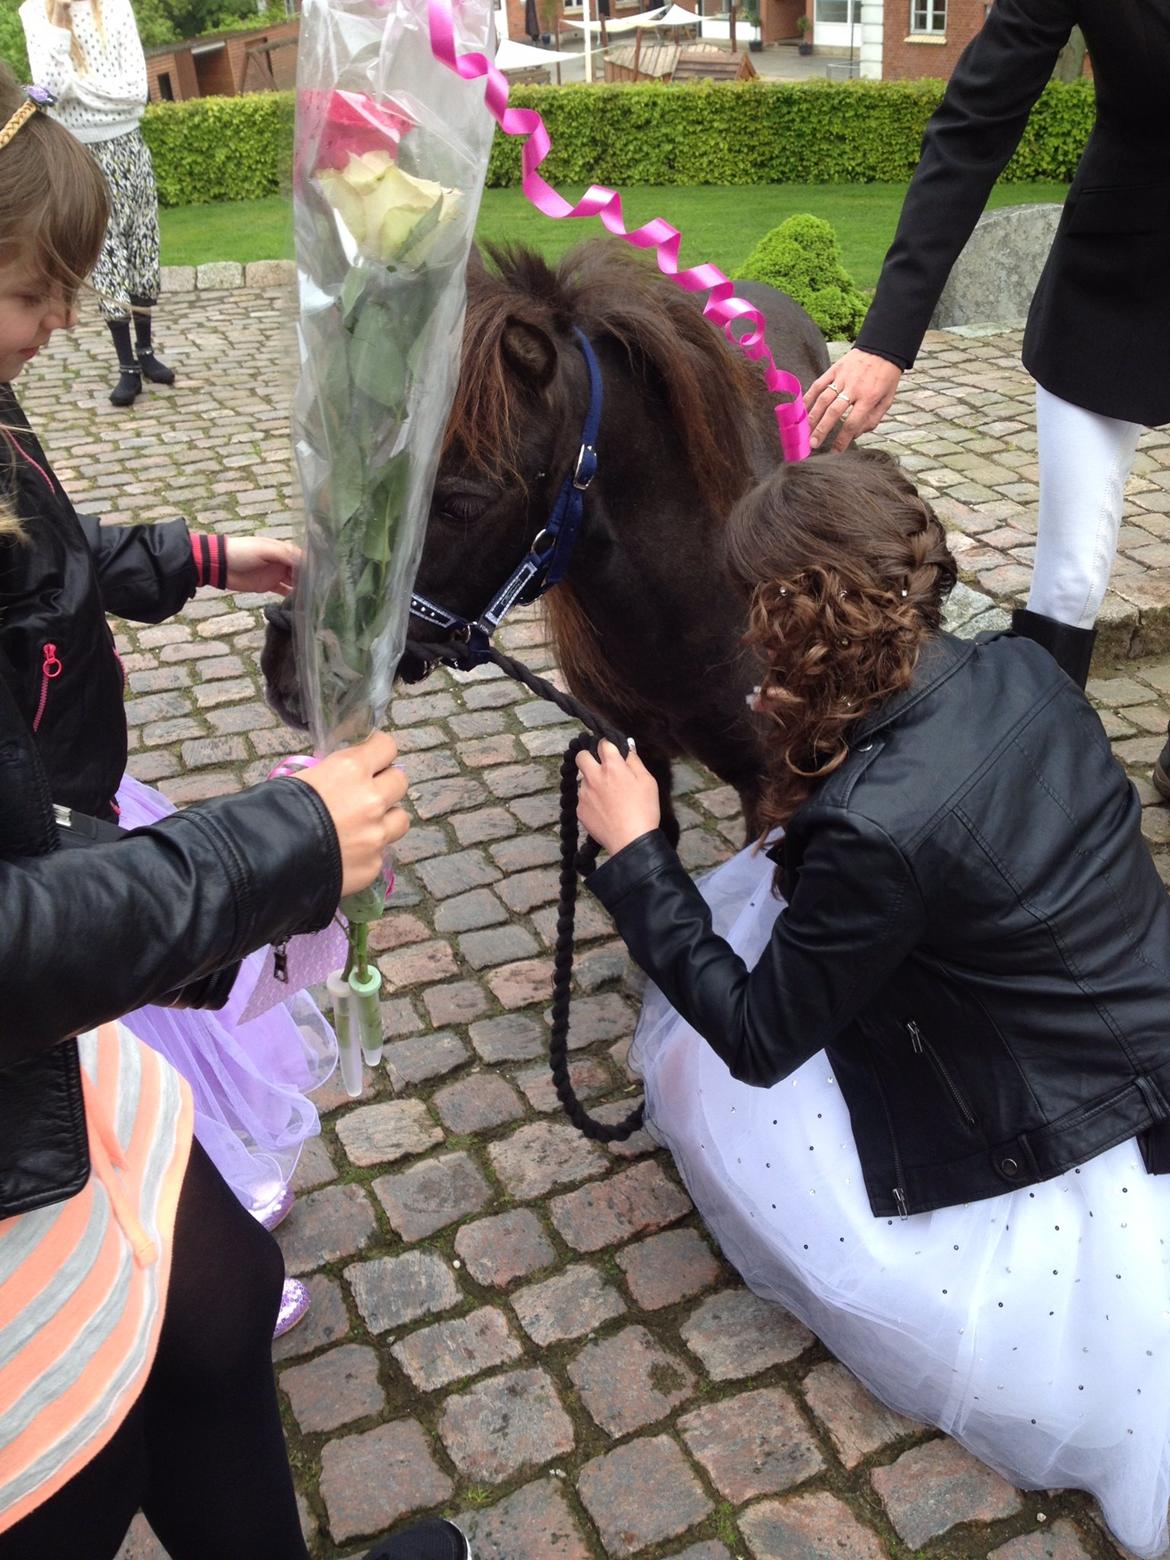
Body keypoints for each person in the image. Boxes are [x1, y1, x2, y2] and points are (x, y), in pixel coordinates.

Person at [0, 77, 470, 1560]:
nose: (61, 323)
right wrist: (290, 850)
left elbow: (50, 563)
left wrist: (199, 556)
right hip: (33, 1004)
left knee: (210, 1302)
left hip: (66, 905)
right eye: (26, 289)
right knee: (84, 1433)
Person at [577, 449, 1170, 1560]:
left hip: (1056, 1120)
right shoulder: (1024, 671)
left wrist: (636, 856)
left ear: (797, 618)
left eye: (757, 608)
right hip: (1132, 1020)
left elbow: (758, 1036)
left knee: (713, 1087)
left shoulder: (871, 830)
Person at [801, 0, 1170, 785]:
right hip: (1117, 281)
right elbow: (976, 122)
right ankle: (1029, 792)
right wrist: (887, 339)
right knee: (1070, 574)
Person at [20, 0, 174, 406]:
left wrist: (80, 89)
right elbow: (50, 90)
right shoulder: (34, 12)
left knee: (142, 247)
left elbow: (136, 91)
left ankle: (146, 352)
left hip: (129, 146)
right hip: (81, 156)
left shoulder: (116, 6)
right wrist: (57, 21)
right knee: (106, 257)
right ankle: (127, 366)